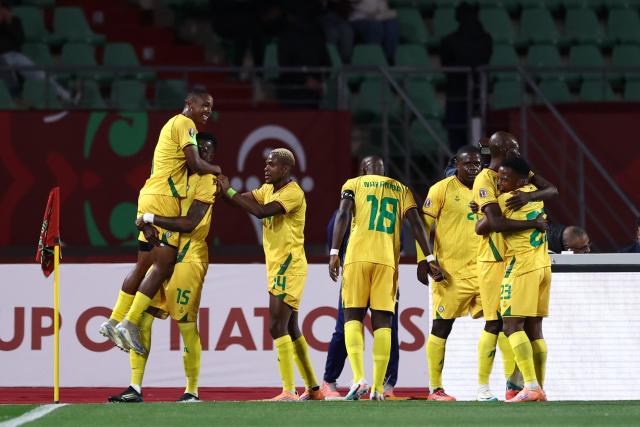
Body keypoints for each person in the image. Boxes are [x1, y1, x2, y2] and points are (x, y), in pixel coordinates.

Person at [100, 92, 221, 356]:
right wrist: (217, 170)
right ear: (190, 104)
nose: (207, 111)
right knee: (164, 264)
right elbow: (194, 162)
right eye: (204, 105)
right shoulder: (185, 124)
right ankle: (129, 322)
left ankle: (113, 320)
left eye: (211, 107)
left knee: (143, 264)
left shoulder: (171, 124)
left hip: (150, 195)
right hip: (163, 199)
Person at [107, 133, 218, 403]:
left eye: (207, 151)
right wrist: (145, 223)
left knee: (186, 324)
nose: (202, 154)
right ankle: (135, 387)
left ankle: (191, 390)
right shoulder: (174, 175)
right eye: (198, 149)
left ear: (213, 157)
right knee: (144, 320)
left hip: (189, 256)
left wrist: (150, 218)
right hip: (166, 251)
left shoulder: (208, 180)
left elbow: (190, 223)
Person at [328, 155, 442, 401]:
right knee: (383, 323)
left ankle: (359, 378)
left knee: (352, 317)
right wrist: (430, 257)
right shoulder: (401, 189)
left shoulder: (353, 184)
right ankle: (379, 388)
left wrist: (335, 251)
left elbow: (344, 214)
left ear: (363, 170)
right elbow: (416, 224)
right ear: (383, 171)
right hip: (387, 262)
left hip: (357, 257)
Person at [216, 148, 322, 401]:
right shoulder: (267, 190)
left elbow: (261, 212)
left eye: (271, 165)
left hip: (289, 265)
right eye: (266, 164)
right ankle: (314, 389)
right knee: (292, 328)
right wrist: (220, 190)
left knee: (276, 326)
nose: (266, 168)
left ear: (284, 169)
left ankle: (288, 390)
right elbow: (237, 199)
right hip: (278, 265)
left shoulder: (294, 193)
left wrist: (229, 191)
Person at [472, 131, 556, 401]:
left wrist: (482, 211)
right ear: (504, 149)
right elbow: (549, 192)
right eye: (515, 147)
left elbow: (486, 225)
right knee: (495, 324)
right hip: (495, 259)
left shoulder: (517, 182)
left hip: (516, 262)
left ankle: (526, 385)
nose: (519, 151)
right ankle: (484, 387)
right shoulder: (486, 178)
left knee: (512, 325)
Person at [322, 161, 401, 400]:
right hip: (381, 267)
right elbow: (402, 238)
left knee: (348, 325)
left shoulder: (349, 198)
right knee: (383, 328)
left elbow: (332, 234)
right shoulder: (396, 195)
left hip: (358, 267)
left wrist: (335, 254)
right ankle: (377, 385)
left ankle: (365, 382)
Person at [416, 145, 483, 401]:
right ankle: (435, 388)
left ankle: (504, 386)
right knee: (442, 327)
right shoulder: (441, 189)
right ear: (457, 163)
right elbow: (423, 225)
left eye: (477, 163)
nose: (474, 167)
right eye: (468, 163)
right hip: (451, 272)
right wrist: (426, 260)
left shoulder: (487, 187)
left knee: (503, 323)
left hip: (484, 269)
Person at [440, 2, 492, 151]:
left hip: (459, 98)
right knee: (483, 137)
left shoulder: (448, 42)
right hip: (476, 97)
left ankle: (459, 167)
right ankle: (483, 166)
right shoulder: (486, 40)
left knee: (458, 141)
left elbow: (446, 65)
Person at [0, 0, 74, 103]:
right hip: (1, 58)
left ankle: (65, 95)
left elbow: (20, 40)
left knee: (40, 74)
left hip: (14, 55)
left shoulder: (15, 21)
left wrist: (8, 23)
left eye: (5, 10)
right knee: (7, 72)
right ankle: (15, 99)